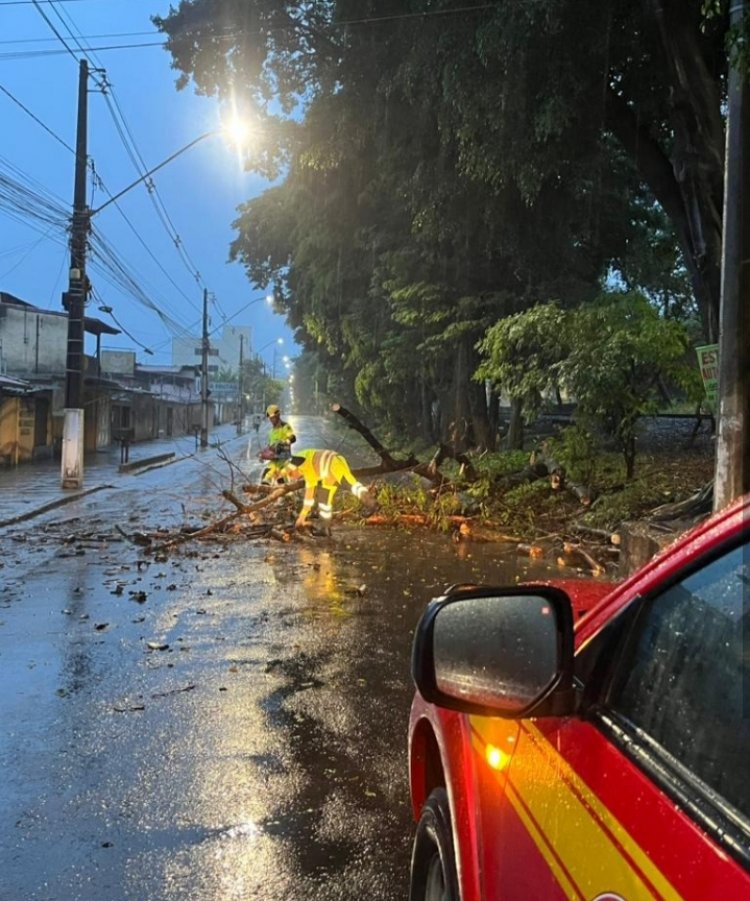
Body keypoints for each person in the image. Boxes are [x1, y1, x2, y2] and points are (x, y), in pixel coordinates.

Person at [281, 448, 377, 536]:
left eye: (291, 474)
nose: (292, 477)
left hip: (334, 463)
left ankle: (370, 502)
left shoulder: (301, 459)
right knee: (324, 500)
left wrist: (285, 461)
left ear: (294, 467)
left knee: (351, 484)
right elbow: (309, 496)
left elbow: (297, 459)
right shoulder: (308, 473)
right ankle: (325, 528)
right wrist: (302, 517)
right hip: (328, 475)